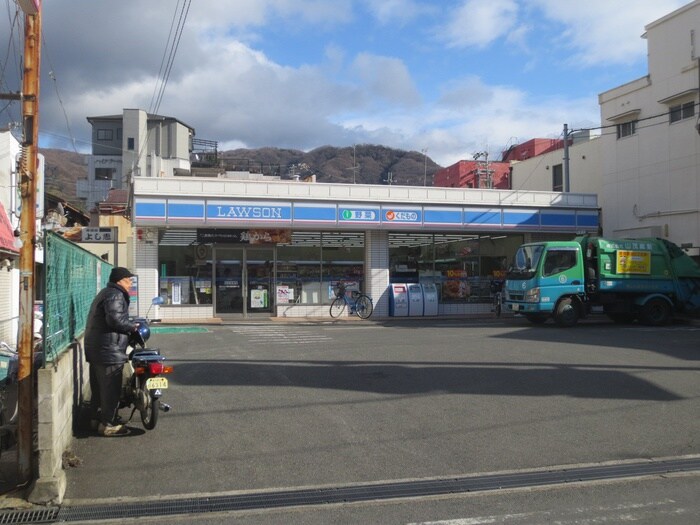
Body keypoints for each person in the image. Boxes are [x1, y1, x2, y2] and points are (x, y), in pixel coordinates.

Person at [85, 267, 139, 436]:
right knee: (110, 389)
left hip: (98, 348)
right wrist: (132, 327)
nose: (130, 284)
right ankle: (108, 425)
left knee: (99, 388)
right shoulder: (115, 294)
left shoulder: (106, 293)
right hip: (108, 349)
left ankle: (96, 419)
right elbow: (115, 319)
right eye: (128, 280)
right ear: (119, 280)